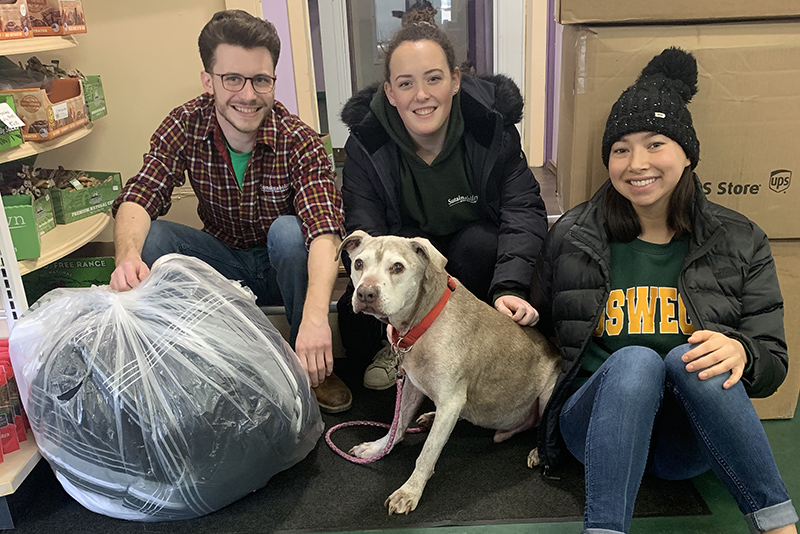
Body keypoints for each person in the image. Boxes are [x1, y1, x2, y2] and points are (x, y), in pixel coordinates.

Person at [531, 47, 798, 534]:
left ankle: (779, 526)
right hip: (592, 426)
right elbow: (542, 330)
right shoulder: (572, 236)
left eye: (655, 144)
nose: (637, 163)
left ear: (687, 154)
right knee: (636, 360)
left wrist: (742, 351)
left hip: (686, 439)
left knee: (689, 358)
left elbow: (772, 364)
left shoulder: (740, 240)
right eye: (621, 149)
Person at [109, 10, 352, 414]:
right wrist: (126, 256)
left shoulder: (300, 141)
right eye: (232, 79)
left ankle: (312, 365)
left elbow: (326, 230)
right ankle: (198, 360)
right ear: (209, 81)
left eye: (261, 79)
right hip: (223, 266)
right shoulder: (184, 124)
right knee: (152, 237)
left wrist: (315, 321)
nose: (248, 94)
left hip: (284, 272)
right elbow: (141, 192)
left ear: (273, 80)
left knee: (291, 233)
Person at [338, 5, 548, 390]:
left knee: (479, 244)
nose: (421, 95)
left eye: (433, 79)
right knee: (355, 309)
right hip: (406, 253)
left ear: (454, 80)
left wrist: (511, 288)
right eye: (405, 84)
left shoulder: (492, 131)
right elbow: (366, 231)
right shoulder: (365, 146)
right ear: (389, 91)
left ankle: (477, 348)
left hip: (473, 260)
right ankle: (399, 347)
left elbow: (524, 210)